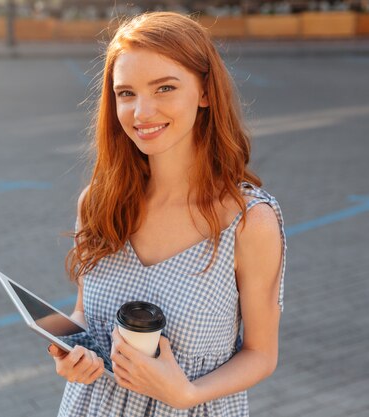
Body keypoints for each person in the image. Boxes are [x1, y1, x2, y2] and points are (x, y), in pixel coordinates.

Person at [47, 11, 287, 417]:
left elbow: (261, 354)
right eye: (126, 93)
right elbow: (85, 311)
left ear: (206, 92)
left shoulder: (248, 221)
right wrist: (72, 353)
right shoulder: (98, 202)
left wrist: (187, 393)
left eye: (164, 88)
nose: (142, 112)